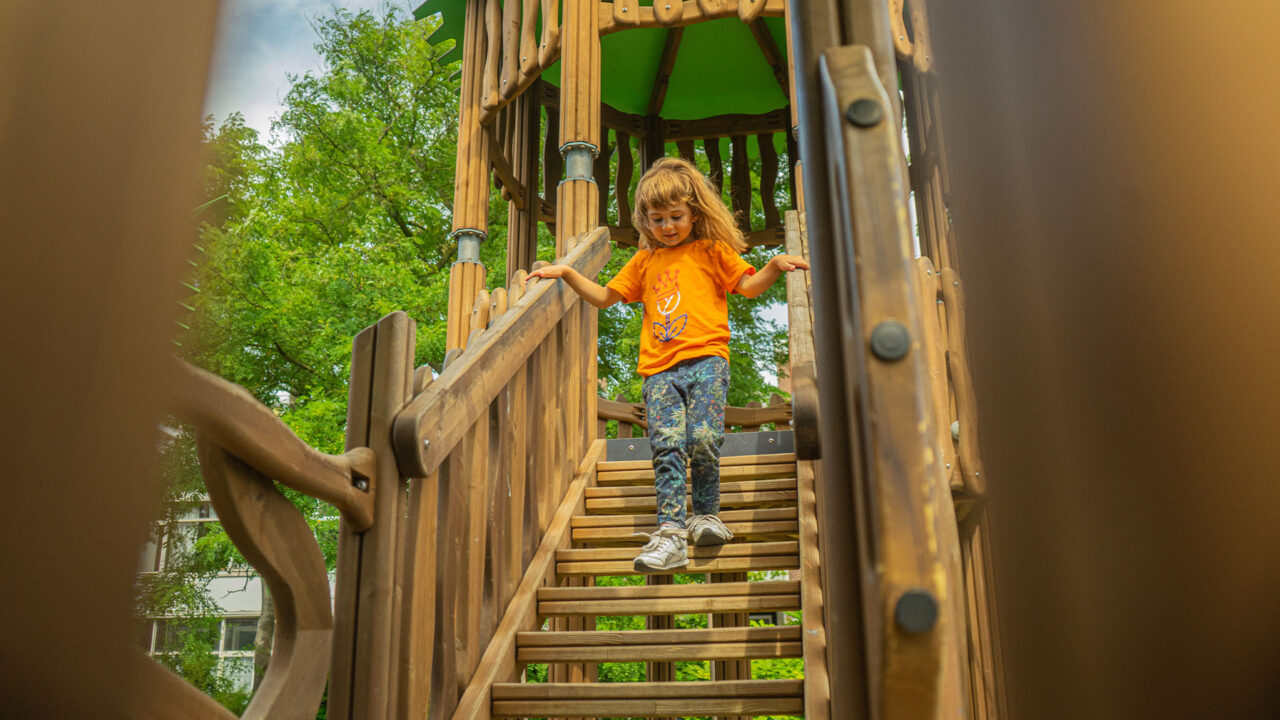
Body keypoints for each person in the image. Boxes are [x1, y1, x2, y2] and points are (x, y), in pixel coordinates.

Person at [528, 157, 809, 572]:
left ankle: (707, 514)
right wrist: (568, 272)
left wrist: (772, 266)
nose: (667, 226)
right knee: (667, 446)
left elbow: (747, 287)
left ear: (694, 214)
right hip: (659, 370)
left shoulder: (712, 251)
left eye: (676, 216)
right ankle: (671, 533)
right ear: (645, 221)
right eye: (657, 219)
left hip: (708, 361)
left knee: (703, 438)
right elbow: (606, 297)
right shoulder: (644, 262)